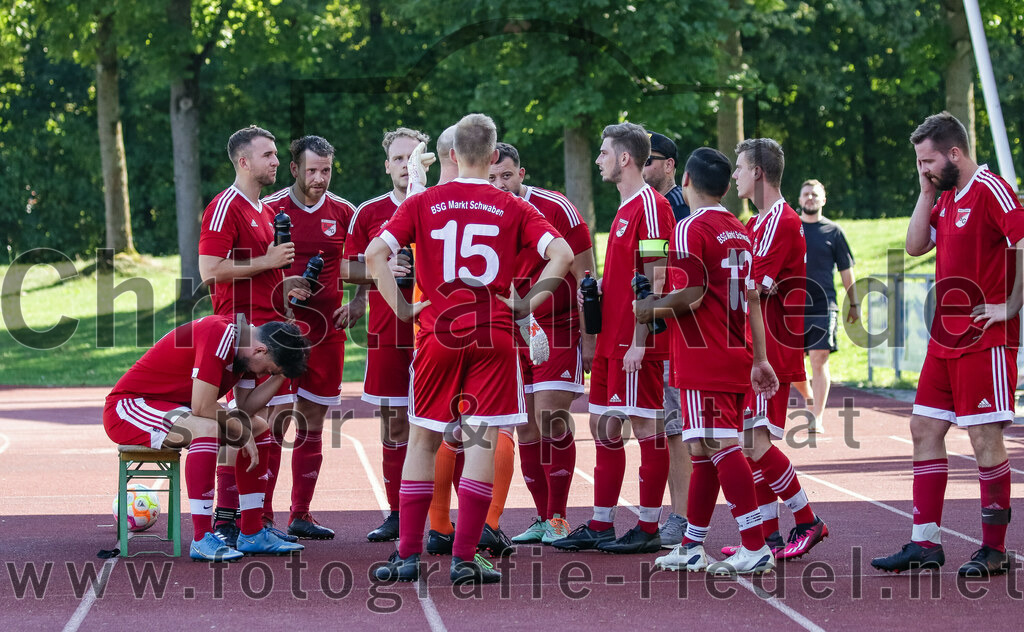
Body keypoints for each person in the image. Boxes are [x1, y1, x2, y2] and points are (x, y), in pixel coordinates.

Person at [368, 113, 573, 585]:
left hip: (439, 330)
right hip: (495, 333)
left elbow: (375, 255)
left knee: (422, 438)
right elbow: (561, 255)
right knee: (482, 439)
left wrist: (402, 308)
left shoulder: (424, 201)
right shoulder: (512, 205)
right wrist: (528, 300)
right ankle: (465, 556)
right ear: (495, 155)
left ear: (452, 155)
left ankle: (407, 555)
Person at [872, 112, 1023, 577]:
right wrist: (925, 192)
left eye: (929, 161)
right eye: (920, 163)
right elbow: (916, 245)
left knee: (983, 437)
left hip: (985, 339)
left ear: (954, 153)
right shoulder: (944, 195)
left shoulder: (992, 188)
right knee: (923, 428)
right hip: (944, 339)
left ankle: (994, 550)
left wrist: (1011, 307)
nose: (924, 169)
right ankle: (925, 543)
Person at [635, 147, 780, 574]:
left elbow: (691, 294)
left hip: (703, 355)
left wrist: (649, 308)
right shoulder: (739, 228)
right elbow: (751, 297)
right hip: (734, 351)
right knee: (702, 451)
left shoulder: (687, 228)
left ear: (687, 183)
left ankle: (754, 543)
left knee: (718, 447)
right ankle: (693, 543)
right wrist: (760, 357)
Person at [552, 122, 673, 555]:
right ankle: (602, 523)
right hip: (610, 340)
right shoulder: (623, 208)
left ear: (625, 158)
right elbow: (634, 272)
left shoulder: (652, 205)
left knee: (646, 428)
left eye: (604, 153)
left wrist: (641, 340)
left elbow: (657, 276)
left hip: (634, 342)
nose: (599, 159)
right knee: (603, 426)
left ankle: (647, 526)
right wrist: (606, 286)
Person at [103, 314, 309, 561]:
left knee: (258, 426)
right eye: (268, 369)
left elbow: (245, 408)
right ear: (260, 350)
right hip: (130, 405)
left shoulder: (246, 350)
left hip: (174, 407)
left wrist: (282, 373)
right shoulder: (220, 334)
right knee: (208, 428)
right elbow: (202, 406)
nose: (265, 373)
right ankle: (201, 538)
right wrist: (238, 430)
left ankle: (252, 531)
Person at [726, 138, 828, 561]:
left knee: (755, 444)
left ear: (758, 173)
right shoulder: (757, 223)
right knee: (751, 445)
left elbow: (754, 289)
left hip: (771, 352)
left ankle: (807, 520)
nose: (734, 175)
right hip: (758, 350)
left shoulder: (780, 222)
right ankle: (768, 536)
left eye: (739, 167)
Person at [488, 142, 595, 546]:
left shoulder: (557, 207)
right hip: (512, 328)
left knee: (551, 415)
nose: (500, 184)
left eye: (507, 176)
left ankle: (559, 517)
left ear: (522, 173)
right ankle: (539, 516)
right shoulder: (484, 211)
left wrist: (590, 337)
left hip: (560, 325)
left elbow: (587, 276)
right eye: (492, 177)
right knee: (526, 423)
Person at [198, 125, 300, 546]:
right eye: (268, 155)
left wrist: (285, 290)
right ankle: (227, 519)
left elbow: (262, 268)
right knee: (240, 421)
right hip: (239, 332)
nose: (276, 161)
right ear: (244, 161)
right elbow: (209, 270)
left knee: (265, 421)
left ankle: (251, 521)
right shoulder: (225, 205)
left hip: (267, 327)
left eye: (276, 155)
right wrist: (266, 261)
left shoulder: (264, 210)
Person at [260, 135, 357, 540]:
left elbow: (362, 262)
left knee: (313, 422)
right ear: (295, 169)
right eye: (312, 170)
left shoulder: (346, 212)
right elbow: (257, 265)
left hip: (327, 332)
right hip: (280, 332)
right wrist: (280, 291)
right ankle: (260, 516)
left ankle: (300, 513)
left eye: (327, 170)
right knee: (275, 421)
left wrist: (361, 301)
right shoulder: (269, 209)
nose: (320, 178)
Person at [344, 127, 432, 543]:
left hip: (440, 332)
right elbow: (346, 268)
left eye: (412, 157)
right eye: (398, 158)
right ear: (386, 165)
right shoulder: (369, 211)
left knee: (451, 425)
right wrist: (378, 270)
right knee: (394, 425)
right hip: (387, 331)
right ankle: (398, 512)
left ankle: (445, 517)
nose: (404, 165)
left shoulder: (441, 203)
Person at [642, 131, 690, 547]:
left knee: (682, 430)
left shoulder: (674, 208)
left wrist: (649, 312)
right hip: (667, 332)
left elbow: (664, 277)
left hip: (682, 335)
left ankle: (683, 519)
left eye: (650, 160)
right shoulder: (652, 207)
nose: (642, 168)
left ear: (670, 165)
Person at [791, 179, 859, 434]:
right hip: (791, 306)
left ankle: (816, 416)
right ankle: (810, 399)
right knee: (792, 364)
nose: (810, 198)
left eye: (815, 194)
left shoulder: (833, 232)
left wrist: (854, 303)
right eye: (806, 194)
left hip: (823, 305)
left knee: (819, 359)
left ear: (823, 200)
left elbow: (846, 270)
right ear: (799, 199)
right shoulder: (790, 227)